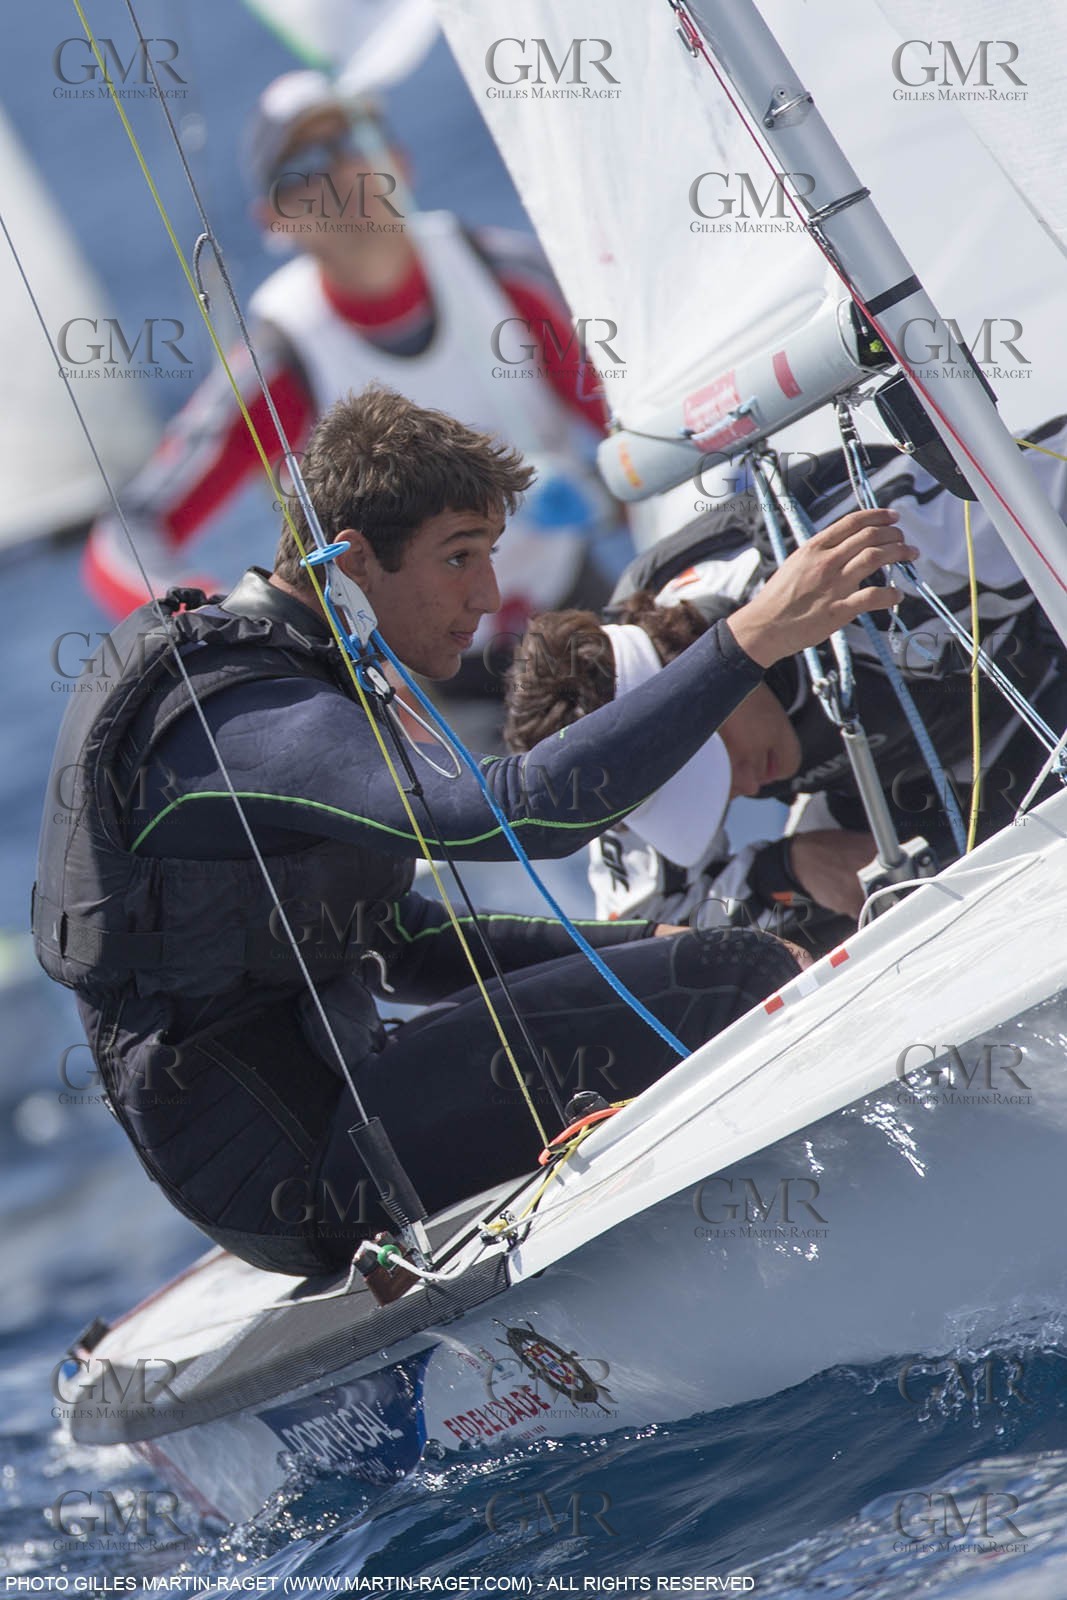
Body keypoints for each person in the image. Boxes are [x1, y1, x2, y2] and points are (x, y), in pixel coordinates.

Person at [34, 386, 915, 1277]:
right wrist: (752, 637)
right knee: (741, 975)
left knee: (709, 955)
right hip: (307, 1169)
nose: (490, 594)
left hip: (327, 1118)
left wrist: (640, 942)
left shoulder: (292, 679)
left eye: (490, 554)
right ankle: (860, 1242)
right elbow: (525, 814)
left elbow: (402, 945)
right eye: (458, 557)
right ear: (349, 563)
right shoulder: (248, 719)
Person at [83, 70, 616, 684]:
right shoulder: (281, 360)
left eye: (354, 140)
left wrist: (620, 491)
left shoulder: (503, 274)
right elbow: (121, 542)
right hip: (421, 685)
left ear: (400, 159)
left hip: (572, 607)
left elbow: (630, 418)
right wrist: (229, 621)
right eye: (305, 164)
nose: (341, 172)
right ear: (274, 219)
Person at [503, 425, 1067, 944]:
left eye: (710, 768)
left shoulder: (871, 560)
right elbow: (644, 933)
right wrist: (790, 870)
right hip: (927, 784)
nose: (742, 788)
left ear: (704, 676)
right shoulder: (614, 766)